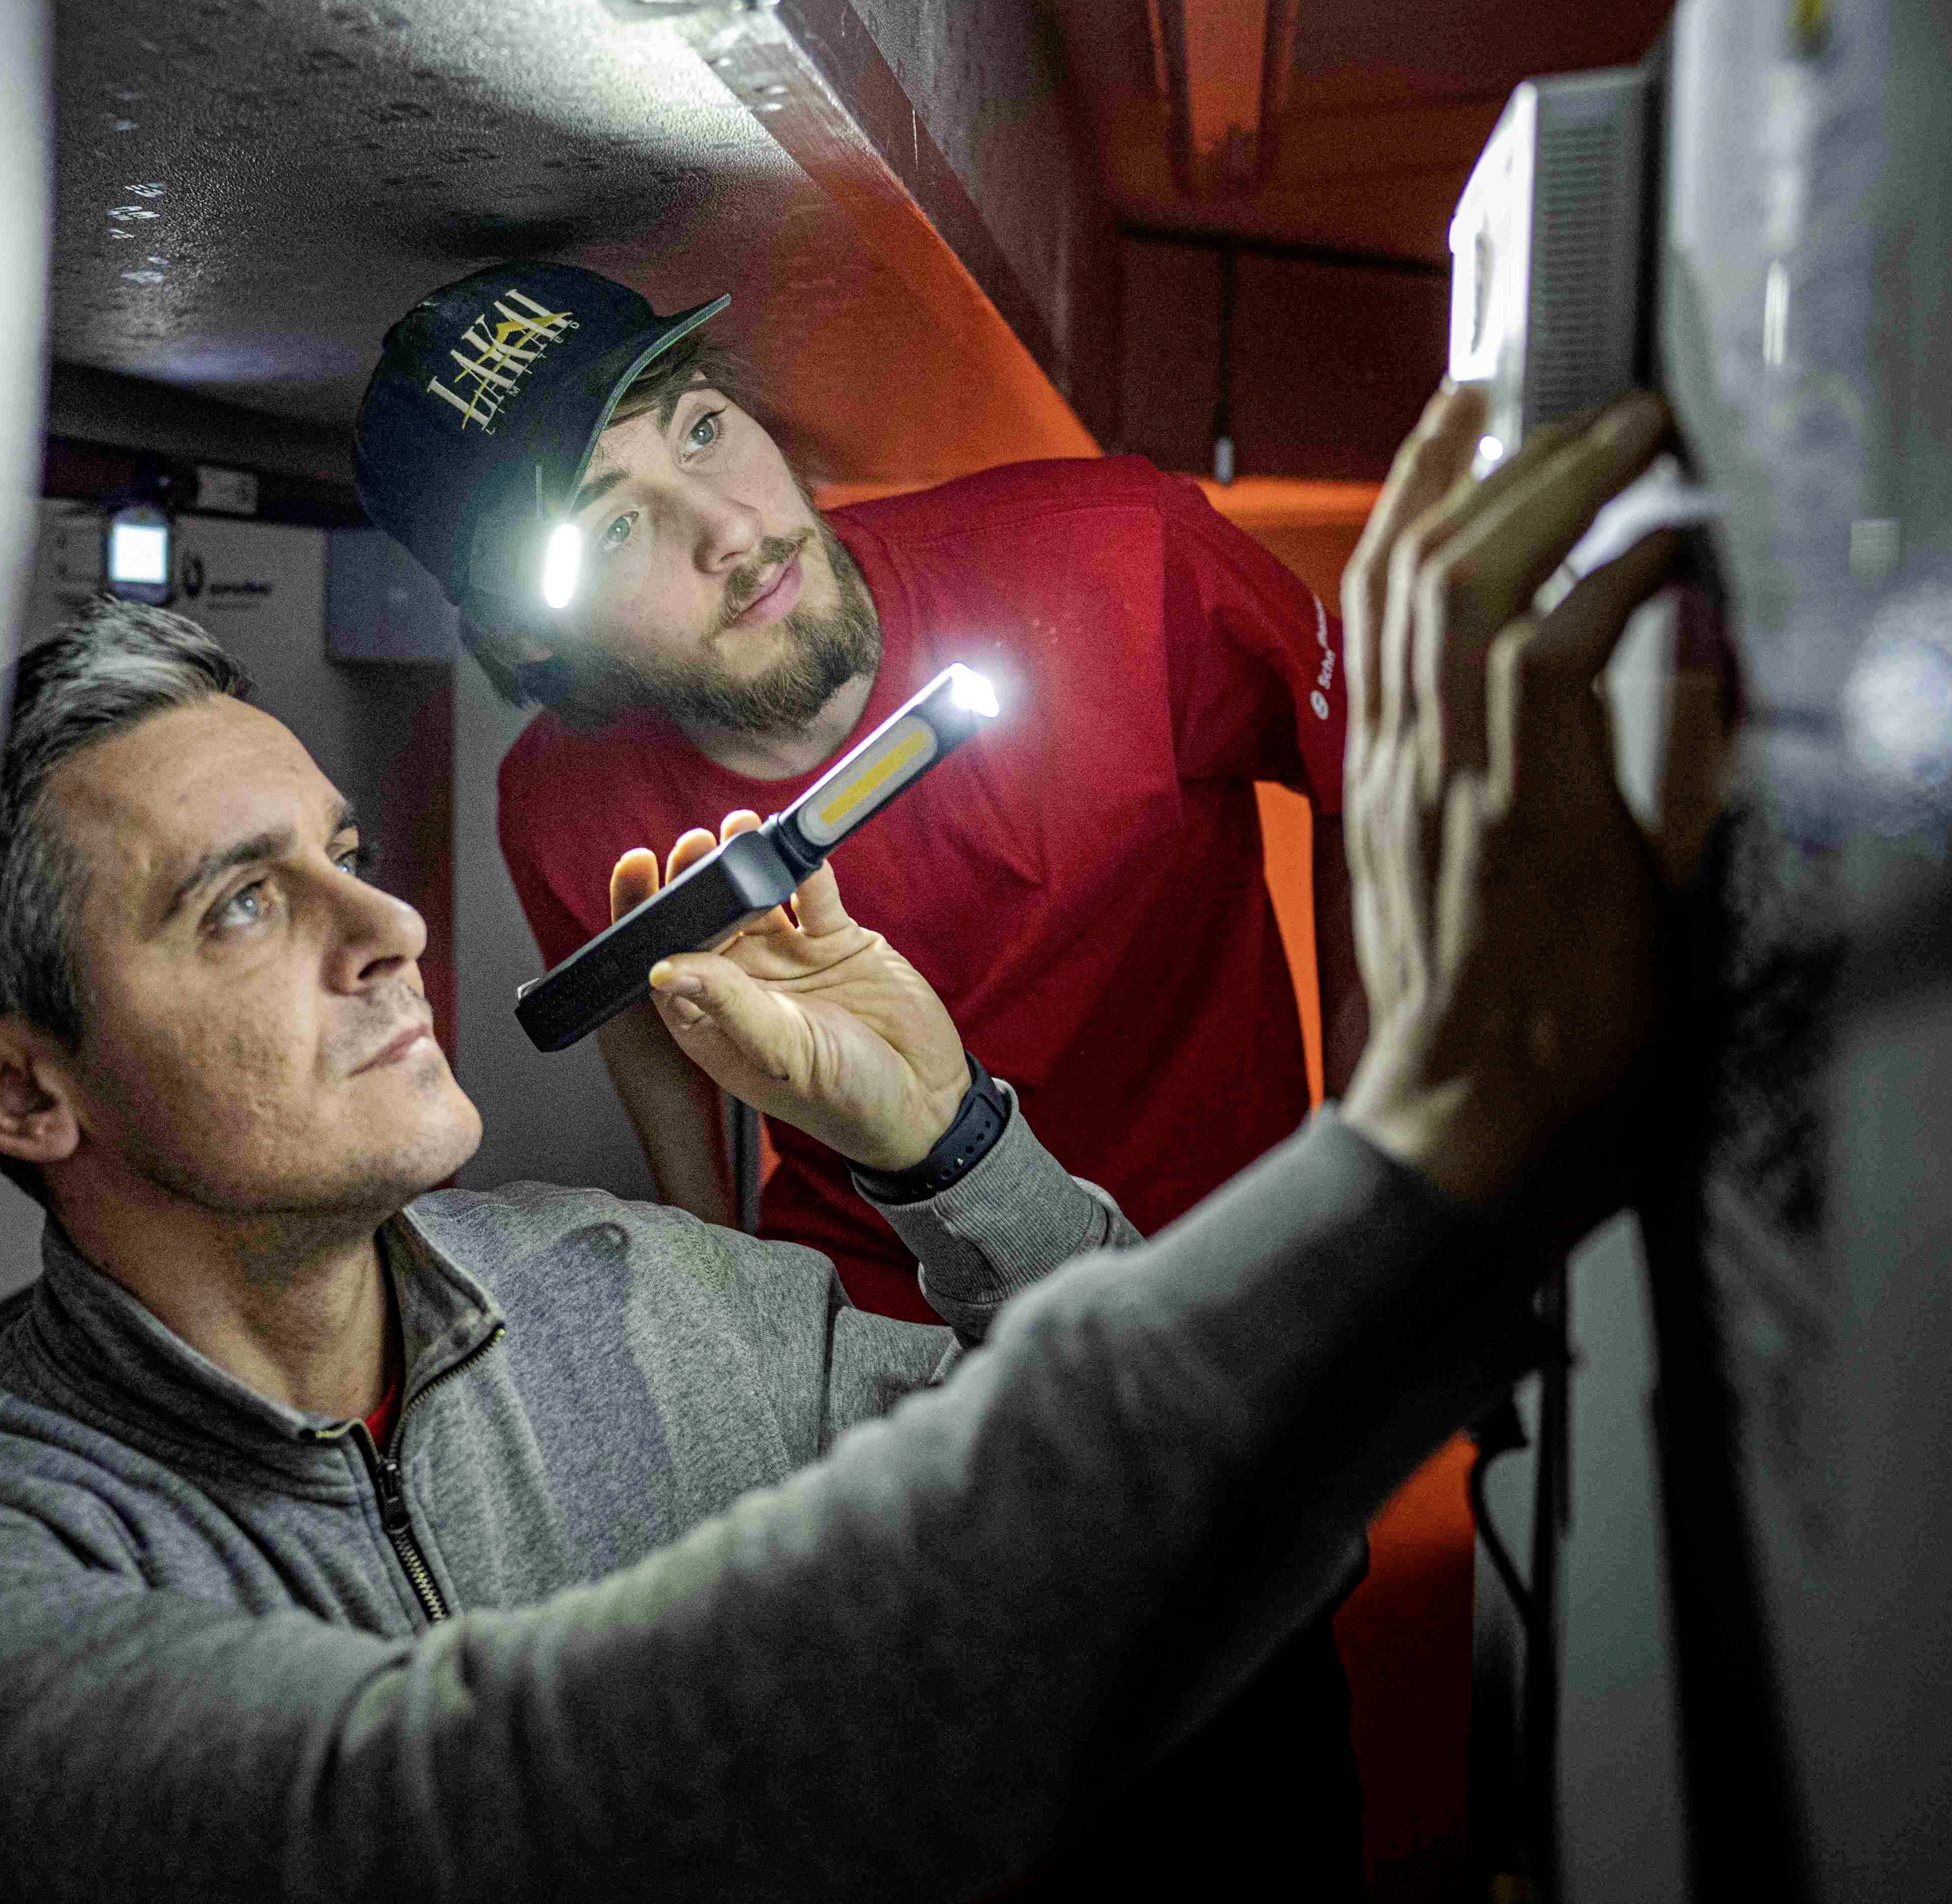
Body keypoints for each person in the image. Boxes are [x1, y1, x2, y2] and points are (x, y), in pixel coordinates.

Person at [0, 386, 1685, 1904]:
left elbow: (1237, 1537)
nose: (397, 931)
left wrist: (952, 1151)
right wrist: (1435, 1148)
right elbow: (435, 1830)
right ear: (23, 1095)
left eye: (344, 856)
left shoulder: (630, 1298)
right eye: (241, 906)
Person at [350, 257, 1374, 1883]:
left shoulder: (1117, 549)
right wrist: (733, 1309)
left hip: (1200, 1318)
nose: (727, 525)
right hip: (893, 1390)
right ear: (526, 634)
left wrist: (1364, 1177)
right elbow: (651, 1025)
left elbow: (1368, 768)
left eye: (700, 425)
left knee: (1243, 1799)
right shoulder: (559, 799)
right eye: (613, 525)